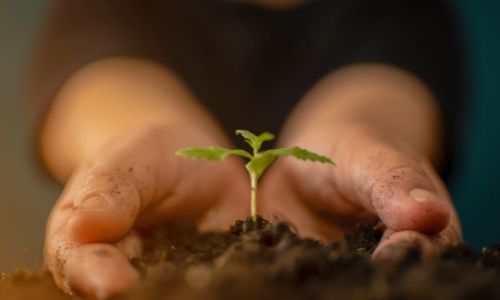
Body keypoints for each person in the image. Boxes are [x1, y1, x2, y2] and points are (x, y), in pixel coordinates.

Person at [30, 0, 464, 298]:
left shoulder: (407, 12)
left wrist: (357, 135)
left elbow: (387, 88)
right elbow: (99, 77)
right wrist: (136, 138)